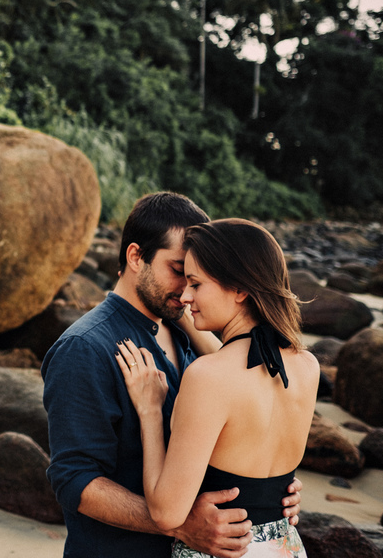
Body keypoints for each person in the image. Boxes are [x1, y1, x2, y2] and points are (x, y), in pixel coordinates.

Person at [42, 192, 302, 558]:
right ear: (136, 257)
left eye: (197, 277)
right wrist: (180, 525)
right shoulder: (85, 348)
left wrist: (266, 493)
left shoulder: (186, 330)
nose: (186, 291)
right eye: (179, 271)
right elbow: (74, 480)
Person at [117, 218, 319, 557]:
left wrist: (150, 412)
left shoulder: (208, 377)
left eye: (196, 284)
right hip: (284, 548)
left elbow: (167, 514)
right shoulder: (306, 365)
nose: (185, 296)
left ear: (240, 289)